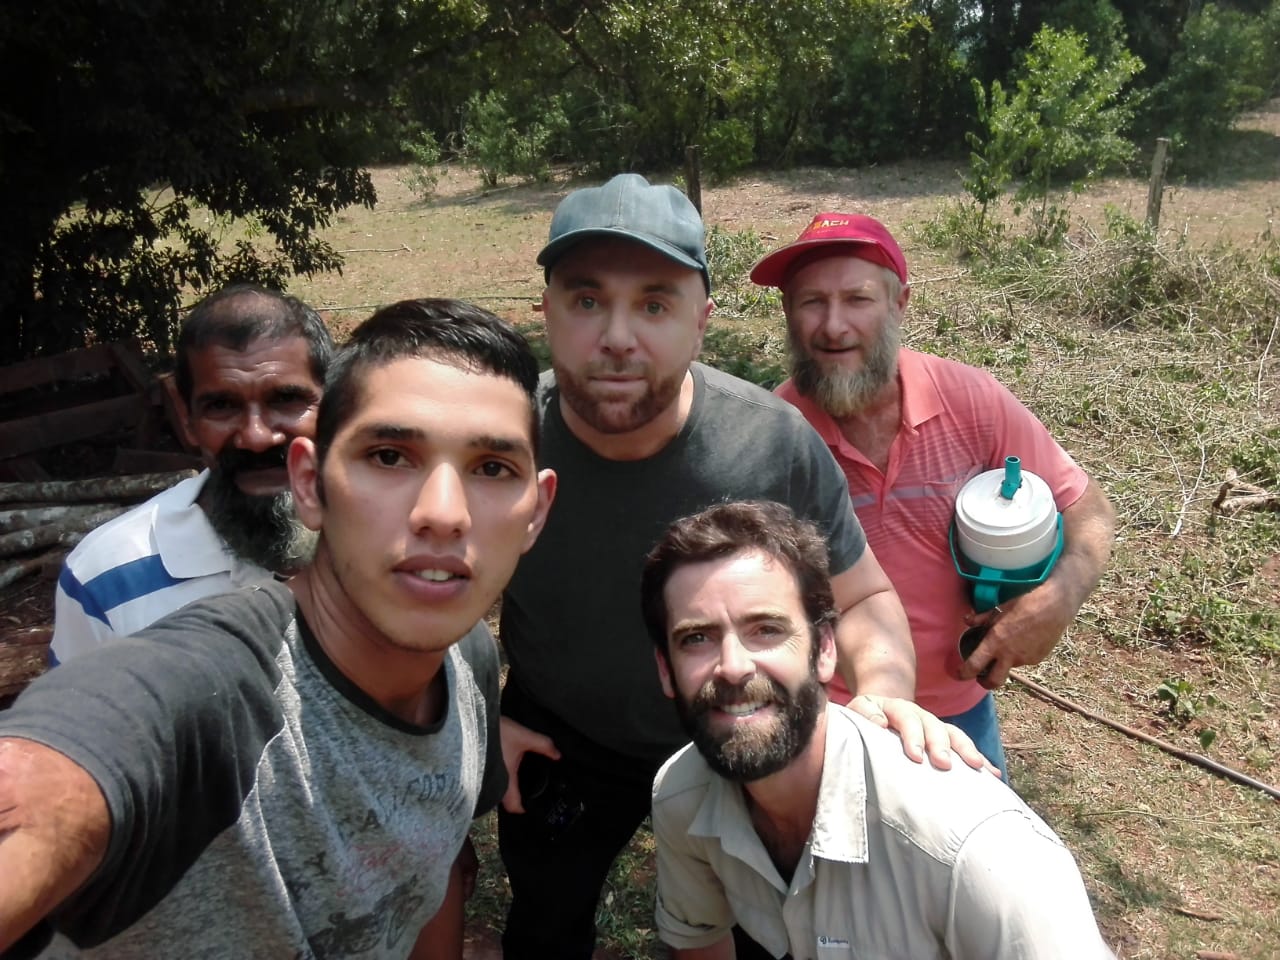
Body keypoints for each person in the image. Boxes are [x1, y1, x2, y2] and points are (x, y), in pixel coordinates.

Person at [495, 174, 983, 960]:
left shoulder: (771, 444)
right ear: (546, 312)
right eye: (587, 301)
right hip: (562, 735)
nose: (617, 336)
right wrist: (480, 704)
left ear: (701, 324)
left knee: (768, 936)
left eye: (654, 304)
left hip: (739, 727)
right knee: (547, 920)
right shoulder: (501, 439)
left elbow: (859, 599)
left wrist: (883, 701)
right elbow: (418, 577)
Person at [0, 299, 556, 959]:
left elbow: (427, 878)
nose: (443, 513)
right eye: (388, 456)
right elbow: (68, 770)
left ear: (535, 512)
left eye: (492, 469)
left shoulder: (466, 659)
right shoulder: (207, 694)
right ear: (310, 484)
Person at [642, 499, 1116, 959]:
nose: (733, 667)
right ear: (666, 670)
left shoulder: (977, 851)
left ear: (825, 648)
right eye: (696, 639)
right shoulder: (683, 798)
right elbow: (699, 941)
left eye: (765, 630)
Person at [752, 213, 1115, 775]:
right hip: (829, 717)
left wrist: (1058, 599)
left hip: (959, 715)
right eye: (811, 303)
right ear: (787, 314)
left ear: (900, 305)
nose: (833, 326)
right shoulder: (775, 434)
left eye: (858, 299)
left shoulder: (972, 402)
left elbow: (1088, 511)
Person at [50, 283, 332, 664]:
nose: (256, 437)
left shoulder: (394, 541)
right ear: (186, 419)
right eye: (221, 405)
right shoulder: (107, 576)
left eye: (285, 400)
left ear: (334, 404)